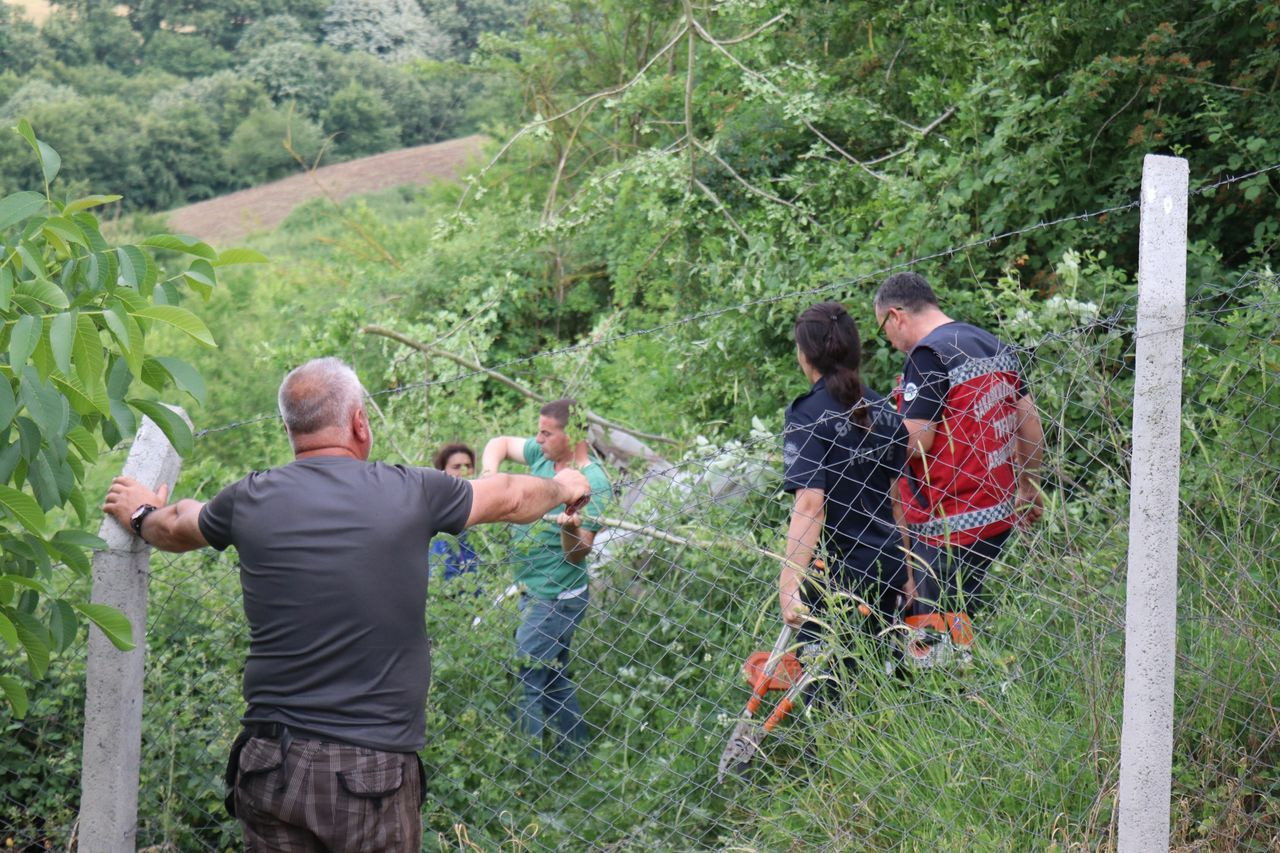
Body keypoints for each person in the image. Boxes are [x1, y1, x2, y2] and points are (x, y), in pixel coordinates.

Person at [102, 358, 592, 852]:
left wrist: (141, 512)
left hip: (267, 764)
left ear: (290, 429)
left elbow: (178, 523)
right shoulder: (410, 491)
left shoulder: (247, 499)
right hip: (369, 774)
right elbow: (509, 495)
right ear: (359, 422)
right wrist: (563, 486)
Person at [873, 272, 1045, 667]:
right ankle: (968, 677)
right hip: (996, 517)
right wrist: (1028, 485)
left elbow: (918, 440)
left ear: (896, 316)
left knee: (932, 641)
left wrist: (873, 434)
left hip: (945, 526)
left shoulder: (927, 355)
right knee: (961, 616)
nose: (891, 341)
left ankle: (946, 697)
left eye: (885, 330)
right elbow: (1029, 421)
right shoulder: (988, 343)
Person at [779, 302, 910, 676]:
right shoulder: (885, 410)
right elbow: (896, 499)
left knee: (827, 685)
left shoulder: (805, 414)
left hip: (836, 576)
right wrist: (910, 571)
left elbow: (810, 505)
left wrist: (789, 584)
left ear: (806, 355)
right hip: (888, 565)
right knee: (886, 675)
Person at [480, 398, 611, 758]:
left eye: (546, 433)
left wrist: (571, 528)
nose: (537, 439)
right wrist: (490, 477)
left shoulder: (594, 481)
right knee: (552, 677)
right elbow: (500, 444)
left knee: (526, 675)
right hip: (533, 589)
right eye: (538, 431)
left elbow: (578, 552)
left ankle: (526, 765)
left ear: (573, 436)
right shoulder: (544, 459)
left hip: (556, 598)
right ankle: (577, 754)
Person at [429, 443, 479, 582]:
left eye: (468, 466)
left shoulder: (486, 510)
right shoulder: (436, 511)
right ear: (442, 471)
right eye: (456, 467)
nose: (463, 471)